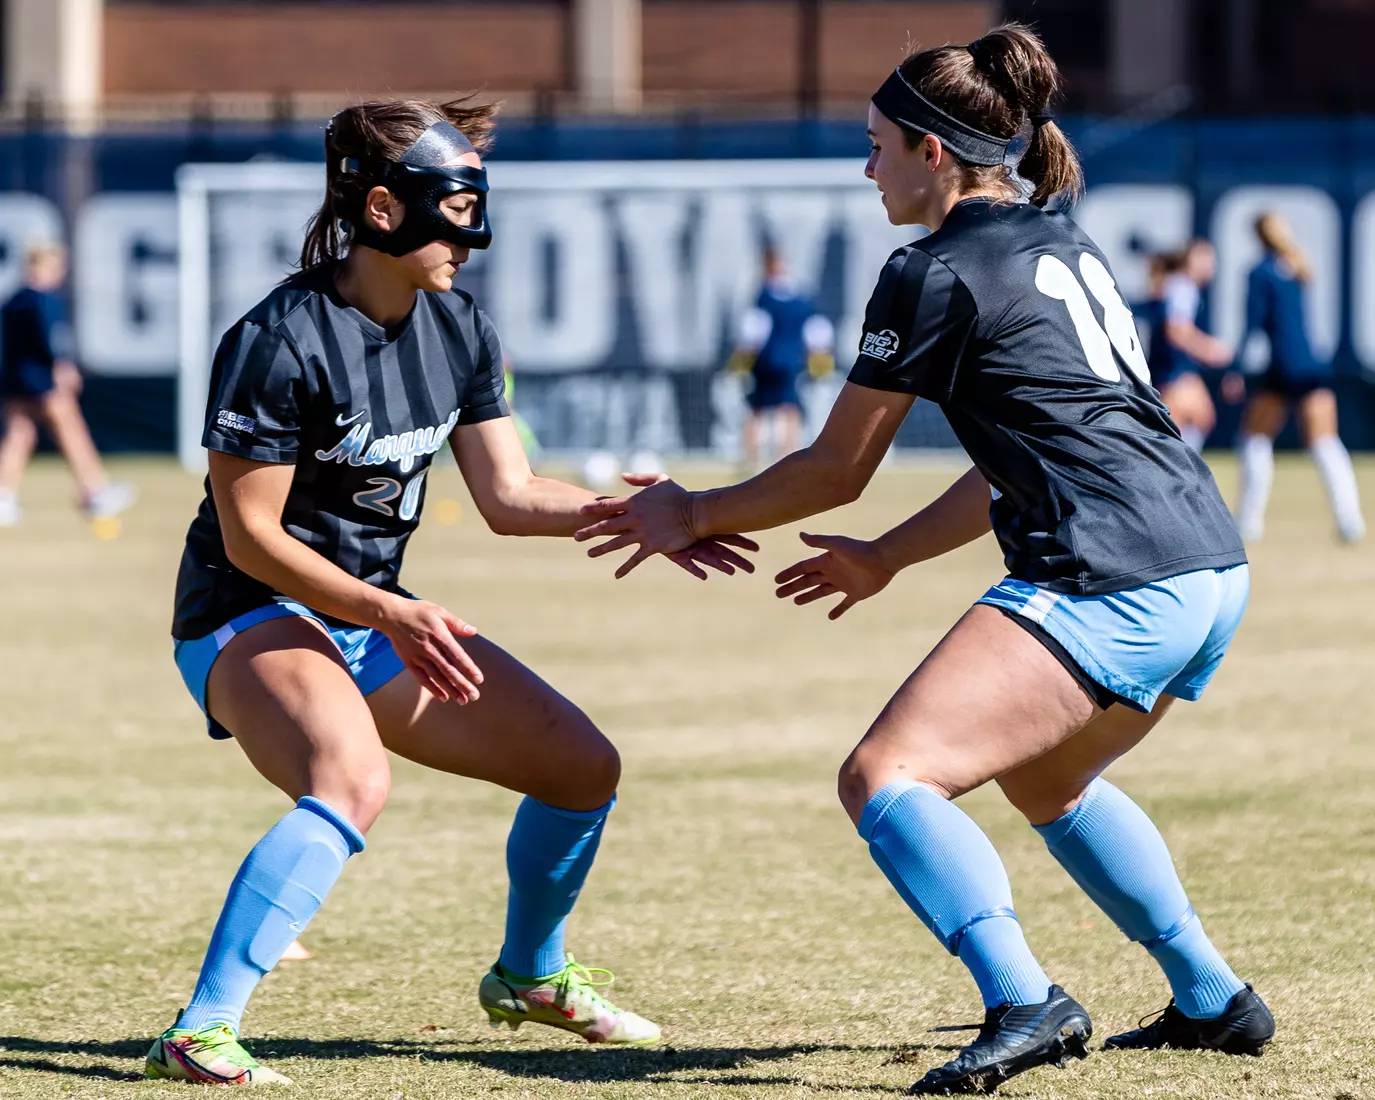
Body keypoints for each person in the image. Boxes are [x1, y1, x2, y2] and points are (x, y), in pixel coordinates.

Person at [574, 25, 1273, 1095]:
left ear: (932, 152)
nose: (867, 170)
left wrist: (693, 510)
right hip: (1206, 564)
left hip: (1114, 570)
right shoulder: (1059, 240)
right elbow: (1018, 458)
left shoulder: (932, 270)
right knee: (1050, 776)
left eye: (876, 146)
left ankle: (1024, 1000)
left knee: (885, 776)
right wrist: (888, 557)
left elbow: (833, 468)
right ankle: (1213, 996)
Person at [145, 97, 755, 1087]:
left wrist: (645, 515)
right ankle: (199, 1031)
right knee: (351, 781)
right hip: (245, 611)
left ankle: (530, 975)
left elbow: (510, 496)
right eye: (457, 211)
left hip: (369, 617)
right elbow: (253, 538)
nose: (473, 238)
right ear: (383, 209)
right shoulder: (278, 338)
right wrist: (390, 611)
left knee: (580, 767)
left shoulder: (460, 326)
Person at [1234, 211, 1365, 542]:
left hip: (1281, 366)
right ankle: (1350, 521)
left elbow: (1253, 322)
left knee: (1254, 438)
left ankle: (1248, 522)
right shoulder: (1296, 266)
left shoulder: (1260, 272)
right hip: (1310, 364)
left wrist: (1236, 367)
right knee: (1325, 442)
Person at [0, 242, 136, 526]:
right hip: (42, 379)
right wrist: (62, 367)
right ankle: (95, 490)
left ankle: (4, 495)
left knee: (19, 435)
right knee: (71, 429)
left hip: (15, 379)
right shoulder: (43, 299)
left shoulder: (13, 300)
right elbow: (51, 338)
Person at [727, 248, 835, 466]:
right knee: (789, 407)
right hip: (791, 361)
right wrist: (819, 358)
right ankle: (786, 456)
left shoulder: (763, 297)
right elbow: (816, 331)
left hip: (765, 361)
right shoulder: (802, 299)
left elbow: (753, 331)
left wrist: (740, 362)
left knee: (757, 407)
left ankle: (751, 457)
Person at [1147, 240, 1234, 452]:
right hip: (1172, 369)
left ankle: (1180, 466)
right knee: (1177, 427)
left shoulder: (1182, 286)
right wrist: (1210, 350)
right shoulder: (1182, 287)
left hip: (1175, 368)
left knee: (1199, 420)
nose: (1211, 265)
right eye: (1205, 258)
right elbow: (1176, 331)